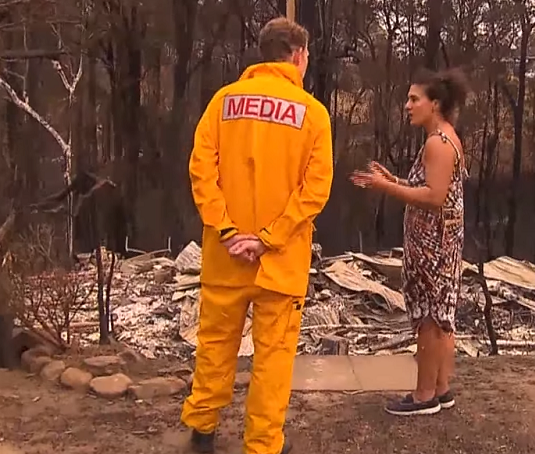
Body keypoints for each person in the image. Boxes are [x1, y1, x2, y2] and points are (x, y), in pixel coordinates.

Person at [181, 17, 333, 454]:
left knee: (214, 346)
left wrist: (227, 230)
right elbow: (314, 190)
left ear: (263, 53)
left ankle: (203, 428)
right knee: (273, 358)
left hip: (225, 254)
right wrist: (269, 237)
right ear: (299, 56)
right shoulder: (313, 115)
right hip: (280, 261)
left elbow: (201, 171)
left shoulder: (222, 102)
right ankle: (263, 443)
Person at [349, 67, 469, 416]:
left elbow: (433, 197)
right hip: (440, 242)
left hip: (433, 245)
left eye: (415, 99)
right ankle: (441, 388)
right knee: (442, 315)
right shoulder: (446, 138)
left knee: (430, 319)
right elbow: (433, 188)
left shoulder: (438, 143)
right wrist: (396, 178)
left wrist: (383, 187)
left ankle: (423, 396)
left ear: (435, 104)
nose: (407, 105)